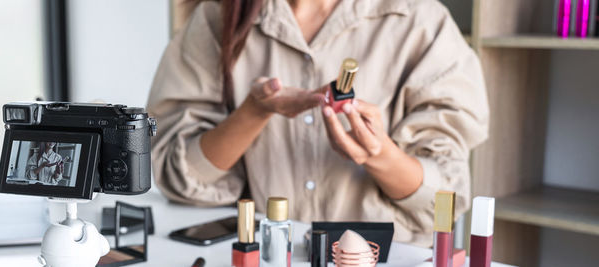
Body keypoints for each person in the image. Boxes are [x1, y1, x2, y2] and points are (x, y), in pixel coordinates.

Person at [146, 0, 489, 246]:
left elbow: (447, 194)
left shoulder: (420, 21)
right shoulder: (216, 18)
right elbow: (178, 178)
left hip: (384, 255)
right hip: (267, 254)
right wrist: (253, 113)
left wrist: (379, 156)